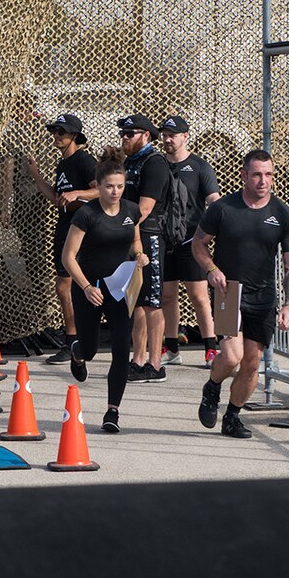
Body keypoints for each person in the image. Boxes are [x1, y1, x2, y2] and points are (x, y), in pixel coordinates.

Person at [191, 149, 289, 441]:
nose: (263, 181)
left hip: (263, 296)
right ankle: (212, 386)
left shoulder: (282, 214)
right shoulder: (223, 208)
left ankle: (232, 417)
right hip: (230, 292)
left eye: (268, 175)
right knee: (231, 357)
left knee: (252, 363)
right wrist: (212, 268)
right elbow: (199, 245)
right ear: (244, 176)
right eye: (256, 174)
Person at [61, 151, 146, 433]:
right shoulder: (87, 214)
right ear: (98, 185)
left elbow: (134, 240)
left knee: (122, 348)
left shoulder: (131, 210)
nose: (115, 191)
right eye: (109, 186)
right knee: (91, 348)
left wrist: (139, 255)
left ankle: (113, 411)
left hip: (119, 289)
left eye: (120, 186)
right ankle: (77, 351)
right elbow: (68, 257)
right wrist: (85, 287)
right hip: (90, 288)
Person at [20, 113, 99, 363]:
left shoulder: (84, 160)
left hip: (83, 231)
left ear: (74, 136)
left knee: (69, 285)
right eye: (54, 131)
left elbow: (103, 190)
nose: (56, 136)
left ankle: (76, 339)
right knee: (64, 286)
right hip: (64, 226)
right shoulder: (63, 164)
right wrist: (35, 174)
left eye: (61, 132)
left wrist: (78, 193)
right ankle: (75, 339)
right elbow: (56, 199)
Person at [157, 111, 223, 367]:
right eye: (164, 135)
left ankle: (210, 348)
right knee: (167, 296)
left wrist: (210, 234)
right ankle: (171, 348)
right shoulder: (158, 164)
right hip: (165, 240)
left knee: (198, 296)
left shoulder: (199, 166)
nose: (168, 140)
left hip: (191, 242)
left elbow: (214, 202)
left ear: (185, 137)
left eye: (172, 135)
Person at [116, 114, 170, 385]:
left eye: (130, 133)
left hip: (149, 237)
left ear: (146, 135)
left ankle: (155, 363)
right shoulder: (129, 163)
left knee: (152, 302)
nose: (124, 137)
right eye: (122, 134)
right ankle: (137, 360)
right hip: (129, 237)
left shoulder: (154, 163)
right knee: (135, 301)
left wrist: (116, 223)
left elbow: (145, 209)